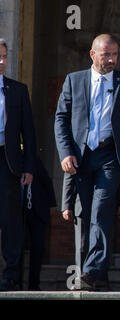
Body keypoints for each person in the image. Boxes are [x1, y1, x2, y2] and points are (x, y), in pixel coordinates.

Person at [54, 34, 120, 291]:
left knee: (101, 210)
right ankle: (95, 274)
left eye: (115, 54)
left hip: (111, 157)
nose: (111, 60)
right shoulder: (75, 81)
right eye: (106, 55)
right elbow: (61, 119)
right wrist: (65, 153)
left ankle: (93, 269)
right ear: (93, 55)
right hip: (82, 157)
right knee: (84, 215)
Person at [0, 38, 36, 291]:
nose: (1, 62)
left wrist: (29, 167)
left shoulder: (17, 90)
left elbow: (30, 134)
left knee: (10, 220)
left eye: (4, 57)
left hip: (8, 161)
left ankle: (11, 275)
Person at [61, 171, 120, 283]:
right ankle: (80, 280)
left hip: (104, 208)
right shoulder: (79, 154)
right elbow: (69, 174)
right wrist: (66, 205)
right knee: (82, 246)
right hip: (82, 208)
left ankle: (100, 280)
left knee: (102, 242)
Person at [23, 156, 57, 291]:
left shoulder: (35, 162)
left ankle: (34, 284)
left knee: (37, 248)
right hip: (19, 212)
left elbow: (47, 183)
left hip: (38, 212)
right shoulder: (11, 162)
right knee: (16, 248)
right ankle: (14, 281)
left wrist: (52, 205)